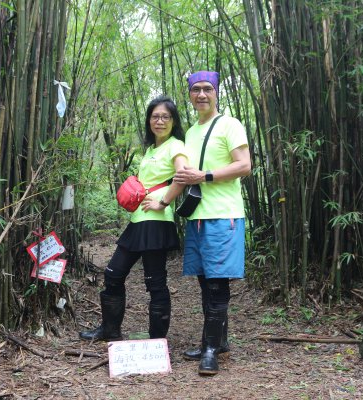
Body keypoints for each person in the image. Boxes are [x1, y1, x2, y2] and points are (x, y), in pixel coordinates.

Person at [80, 95, 187, 342]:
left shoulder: (176, 145)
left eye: (165, 117)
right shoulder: (150, 149)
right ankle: (110, 330)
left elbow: (182, 175)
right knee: (113, 273)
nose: (159, 121)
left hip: (156, 222)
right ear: (149, 119)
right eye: (155, 116)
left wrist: (163, 202)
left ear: (173, 121)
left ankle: (156, 341)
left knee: (155, 282)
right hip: (139, 220)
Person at [173, 71, 251, 376]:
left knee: (218, 283)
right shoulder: (190, 132)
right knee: (206, 281)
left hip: (223, 214)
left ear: (216, 92)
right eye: (196, 90)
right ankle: (220, 341)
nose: (202, 94)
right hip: (198, 216)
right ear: (190, 94)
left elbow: (244, 165)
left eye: (207, 89)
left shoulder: (230, 124)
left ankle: (210, 350)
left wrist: (203, 176)